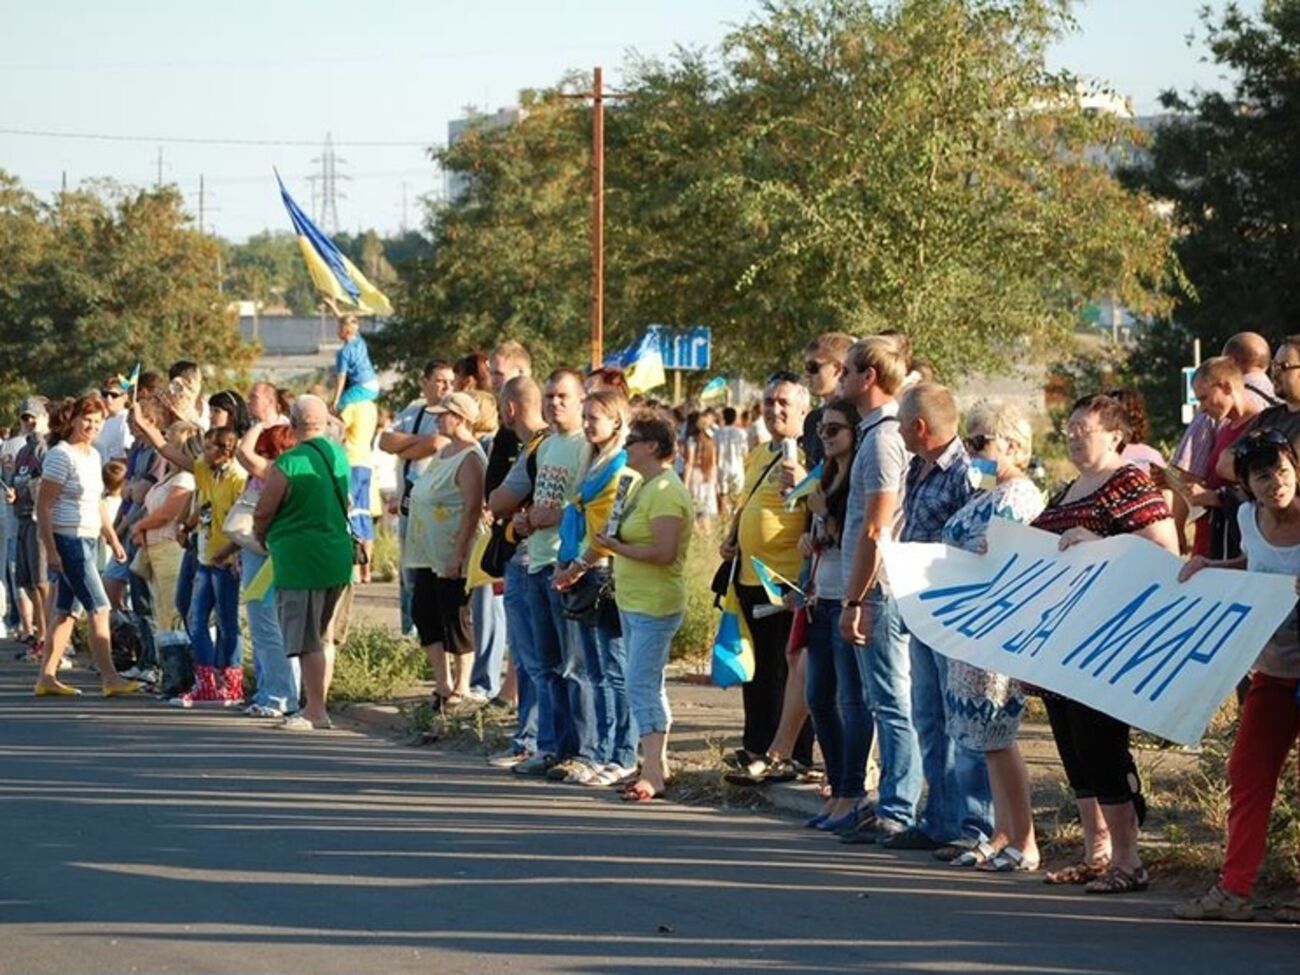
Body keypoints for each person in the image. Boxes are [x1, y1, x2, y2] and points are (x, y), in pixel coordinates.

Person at [1032, 393, 1179, 894]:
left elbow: (1166, 551)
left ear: (1116, 436)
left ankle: (1129, 859)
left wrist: (1100, 546)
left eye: (1084, 429)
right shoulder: (1070, 488)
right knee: (1074, 751)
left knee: (1102, 748)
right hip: (1058, 645)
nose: (1072, 436)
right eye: (1069, 428)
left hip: (1103, 644)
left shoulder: (1129, 483)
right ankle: (1097, 855)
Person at [1174, 430, 1300, 923]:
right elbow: (1259, 566)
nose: (1276, 483)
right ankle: (1233, 892)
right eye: (1263, 476)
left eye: (1284, 471)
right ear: (1247, 485)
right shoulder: (1248, 518)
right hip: (1273, 670)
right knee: (1247, 775)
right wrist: (1213, 567)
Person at [884, 382, 993, 854]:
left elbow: (989, 531)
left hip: (955, 613)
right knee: (927, 716)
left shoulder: (973, 472)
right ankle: (940, 819)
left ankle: (978, 826)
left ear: (920, 427)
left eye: (902, 424)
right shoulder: (916, 466)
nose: (899, 433)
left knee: (963, 722)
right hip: (919, 607)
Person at [940, 400, 1045, 871]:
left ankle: (1025, 840)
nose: (973, 449)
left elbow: (1013, 557)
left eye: (982, 441)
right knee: (984, 739)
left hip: (997, 629)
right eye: (969, 440)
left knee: (1000, 736)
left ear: (1013, 445)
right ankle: (1003, 832)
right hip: (969, 629)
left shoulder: (1019, 496)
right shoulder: (984, 491)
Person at [837, 336, 920, 844]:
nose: (841, 378)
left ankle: (899, 808)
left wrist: (854, 598)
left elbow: (877, 528)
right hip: (868, 587)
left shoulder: (886, 438)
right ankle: (890, 800)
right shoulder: (873, 433)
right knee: (877, 697)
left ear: (869, 377)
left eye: (847, 370)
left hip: (880, 590)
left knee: (892, 701)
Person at [492, 369, 592, 778]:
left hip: (567, 565)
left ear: (582, 400)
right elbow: (509, 500)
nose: (555, 403)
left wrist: (557, 515)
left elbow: (595, 505)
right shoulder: (545, 445)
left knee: (576, 667)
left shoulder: (588, 446)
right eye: (550, 396)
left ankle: (584, 751)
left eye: (563, 396)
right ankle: (549, 747)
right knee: (544, 666)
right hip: (535, 560)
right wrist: (525, 521)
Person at [596, 409, 694, 801]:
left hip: (656, 603)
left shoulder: (667, 490)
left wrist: (617, 548)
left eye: (632, 441)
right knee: (648, 684)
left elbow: (664, 552)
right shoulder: (639, 484)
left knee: (640, 684)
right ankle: (655, 762)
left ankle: (652, 772)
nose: (625, 447)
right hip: (633, 599)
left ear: (653, 446)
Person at [721, 371, 813, 780]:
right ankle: (756, 746)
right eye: (769, 402)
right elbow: (748, 502)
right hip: (748, 575)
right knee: (754, 668)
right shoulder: (759, 452)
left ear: (802, 410)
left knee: (786, 670)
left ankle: (792, 755)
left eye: (784, 404)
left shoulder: (810, 454)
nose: (774, 410)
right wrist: (733, 536)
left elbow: (816, 510)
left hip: (786, 578)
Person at [253, 395, 354, 731]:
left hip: (300, 558)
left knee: (306, 636)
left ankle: (315, 709)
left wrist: (259, 533)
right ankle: (318, 703)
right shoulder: (338, 455)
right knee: (325, 637)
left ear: (292, 423)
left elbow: (265, 508)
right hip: (337, 554)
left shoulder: (289, 462)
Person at [553, 389, 637, 785]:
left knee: (615, 670)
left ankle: (624, 752)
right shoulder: (591, 462)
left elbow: (611, 526)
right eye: (584, 417)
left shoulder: (620, 465)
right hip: (580, 566)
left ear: (617, 422)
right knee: (596, 669)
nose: (586, 425)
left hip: (603, 571)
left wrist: (580, 564)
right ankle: (602, 750)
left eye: (594, 418)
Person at [33, 393, 140, 698]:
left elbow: (97, 502)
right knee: (100, 606)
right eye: (87, 420)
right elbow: (44, 507)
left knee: (67, 611)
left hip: (89, 538)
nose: (92, 426)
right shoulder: (60, 455)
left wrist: (112, 537)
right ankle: (110, 677)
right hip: (69, 540)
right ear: (73, 420)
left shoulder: (93, 456)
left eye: (97, 421)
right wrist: (52, 550)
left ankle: (47, 676)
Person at [798, 398, 869, 830]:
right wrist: (810, 542)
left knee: (851, 699)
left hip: (847, 594)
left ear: (854, 433)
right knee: (817, 698)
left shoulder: (854, 479)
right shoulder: (826, 475)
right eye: (821, 430)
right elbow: (823, 538)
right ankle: (837, 782)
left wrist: (824, 515)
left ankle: (852, 790)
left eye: (834, 430)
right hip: (820, 594)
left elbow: (856, 536)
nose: (825, 438)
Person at [403, 392, 487, 708]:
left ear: (461, 418)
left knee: (455, 615)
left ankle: (463, 684)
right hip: (427, 550)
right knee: (424, 612)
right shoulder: (445, 449)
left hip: (452, 550)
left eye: (443, 415)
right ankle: (442, 680)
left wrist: (459, 552)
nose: (437, 419)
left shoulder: (470, 457)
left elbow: (471, 507)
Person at [486, 375, 548, 768]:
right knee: (533, 658)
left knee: (532, 658)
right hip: (534, 556)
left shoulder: (537, 448)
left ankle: (530, 740)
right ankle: (534, 739)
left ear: (509, 408)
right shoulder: (543, 445)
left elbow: (498, 498)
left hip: (531, 559)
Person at [233, 381, 301, 718]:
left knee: (268, 620)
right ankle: (269, 691)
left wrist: (261, 422)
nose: (248, 402)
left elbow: (242, 454)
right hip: (260, 546)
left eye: (254, 397)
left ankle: (280, 696)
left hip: (267, 546)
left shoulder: (274, 469)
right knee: (266, 621)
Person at [380, 360, 455, 635]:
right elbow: (385, 442)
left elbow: (437, 444)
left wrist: (406, 445)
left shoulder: (453, 412)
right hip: (408, 503)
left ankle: (438, 632)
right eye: (440, 380)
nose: (446, 386)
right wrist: (416, 443)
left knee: (433, 570)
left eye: (450, 381)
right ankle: (410, 630)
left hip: (438, 507)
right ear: (424, 383)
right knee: (409, 571)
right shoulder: (412, 411)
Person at [128, 422, 200, 679]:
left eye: (169, 439)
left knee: (173, 611)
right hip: (154, 549)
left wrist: (141, 525)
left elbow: (169, 513)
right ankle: (168, 671)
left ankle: (181, 674)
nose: (164, 446)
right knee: (159, 611)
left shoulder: (186, 478)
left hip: (171, 550)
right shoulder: (167, 477)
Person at [8, 398, 49, 653]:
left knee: (42, 581)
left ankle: (48, 637)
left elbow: (47, 483)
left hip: (38, 521)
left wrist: (24, 491)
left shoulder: (44, 449)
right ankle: (38, 634)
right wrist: (13, 492)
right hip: (22, 518)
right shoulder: (23, 451)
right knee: (28, 581)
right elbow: (16, 481)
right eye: (25, 418)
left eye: (34, 417)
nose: (29, 423)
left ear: (44, 418)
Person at [801, 332, 855, 469]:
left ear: (837, 369)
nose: (807, 374)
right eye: (806, 367)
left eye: (813, 367)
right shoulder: (812, 420)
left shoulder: (856, 417)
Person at [330, 311, 380, 412]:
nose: (337, 331)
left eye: (339, 328)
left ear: (345, 330)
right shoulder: (360, 341)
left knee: (339, 408)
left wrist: (335, 400)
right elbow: (344, 319)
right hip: (374, 385)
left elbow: (341, 378)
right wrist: (332, 307)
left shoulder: (344, 352)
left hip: (362, 387)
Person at [714, 406, 748, 521]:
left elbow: (716, 452)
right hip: (737, 467)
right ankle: (735, 521)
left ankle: (723, 521)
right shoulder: (741, 432)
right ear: (735, 418)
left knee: (723, 496)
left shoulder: (718, 433)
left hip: (722, 467)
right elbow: (745, 452)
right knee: (737, 497)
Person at [94, 374, 135, 462]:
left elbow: (127, 452)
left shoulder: (127, 420)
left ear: (125, 397)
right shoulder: (99, 420)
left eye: (114, 395)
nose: (109, 399)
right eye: (105, 394)